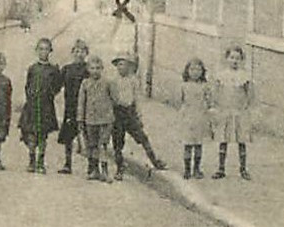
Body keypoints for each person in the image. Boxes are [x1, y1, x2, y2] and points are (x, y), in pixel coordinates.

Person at [108, 51, 166, 180]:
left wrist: (138, 115)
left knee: (142, 138)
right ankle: (119, 168)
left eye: (123, 64)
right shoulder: (113, 81)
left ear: (129, 66)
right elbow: (110, 98)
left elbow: (137, 99)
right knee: (117, 143)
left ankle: (155, 160)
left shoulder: (133, 80)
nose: (120, 67)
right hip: (117, 113)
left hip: (129, 113)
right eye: (118, 64)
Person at [18, 38, 62, 173]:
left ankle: (40, 162)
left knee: (43, 135)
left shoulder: (53, 69)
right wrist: (31, 97)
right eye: (41, 49)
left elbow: (57, 86)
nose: (43, 52)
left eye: (46, 49)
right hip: (32, 105)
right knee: (31, 134)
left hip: (46, 106)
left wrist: (49, 94)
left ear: (50, 51)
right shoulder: (33, 68)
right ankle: (31, 160)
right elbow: (28, 85)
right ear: (37, 50)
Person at [213, 44, 253, 179]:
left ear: (242, 60)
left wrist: (246, 107)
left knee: (241, 140)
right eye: (232, 57)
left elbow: (249, 94)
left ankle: (243, 169)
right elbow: (217, 93)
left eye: (238, 58)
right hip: (225, 111)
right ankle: (221, 169)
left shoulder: (244, 76)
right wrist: (217, 108)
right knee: (223, 139)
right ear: (227, 59)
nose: (234, 61)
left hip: (239, 112)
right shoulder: (221, 75)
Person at [76, 54, 116, 183]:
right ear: (88, 69)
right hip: (90, 119)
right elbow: (81, 102)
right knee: (91, 145)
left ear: (102, 68)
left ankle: (105, 171)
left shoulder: (107, 83)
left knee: (103, 145)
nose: (95, 71)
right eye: (92, 68)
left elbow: (114, 99)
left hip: (105, 120)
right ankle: (94, 170)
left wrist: (111, 116)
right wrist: (80, 119)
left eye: (98, 68)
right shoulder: (85, 83)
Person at [55, 40, 91, 175]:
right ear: (72, 53)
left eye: (82, 51)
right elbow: (57, 85)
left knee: (87, 135)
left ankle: (91, 166)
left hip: (85, 107)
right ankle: (67, 164)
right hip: (70, 106)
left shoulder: (88, 69)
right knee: (68, 137)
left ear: (86, 53)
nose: (79, 54)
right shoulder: (66, 69)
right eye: (76, 51)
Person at [177, 57, 215, 179]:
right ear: (187, 70)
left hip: (200, 117)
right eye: (192, 69)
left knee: (198, 144)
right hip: (188, 117)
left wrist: (210, 115)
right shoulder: (184, 85)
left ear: (203, 71)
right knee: (187, 144)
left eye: (198, 69)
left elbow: (209, 102)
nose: (195, 72)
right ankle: (187, 169)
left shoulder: (205, 86)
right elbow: (181, 101)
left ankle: (197, 169)